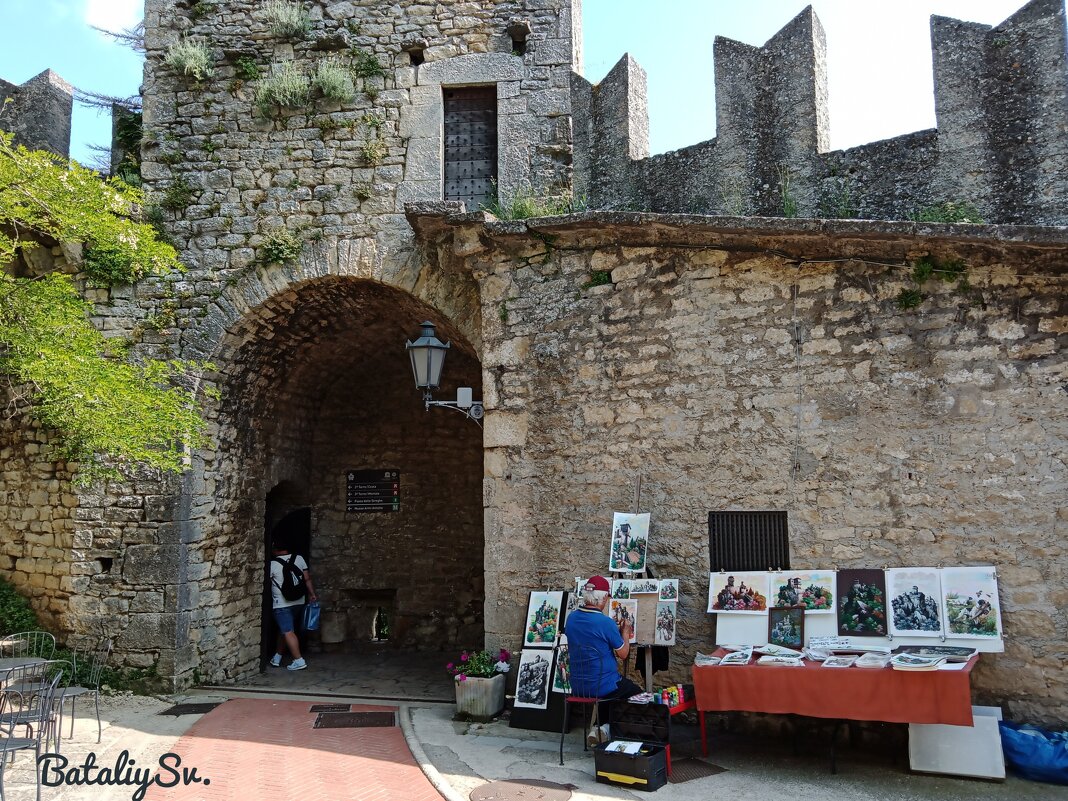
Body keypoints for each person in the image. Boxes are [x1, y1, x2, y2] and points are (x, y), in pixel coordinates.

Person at [563, 575, 643, 744]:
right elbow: (623, 654)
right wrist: (625, 633)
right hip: (601, 685)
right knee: (634, 692)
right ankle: (609, 730)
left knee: (612, 689)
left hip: (578, 686)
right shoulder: (604, 623)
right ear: (604, 597)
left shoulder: (571, 619)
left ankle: (600, 728)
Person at [269, 538, 317, 671]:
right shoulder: (299, 558)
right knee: (284, 629)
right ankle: (277, 657)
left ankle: (298, 660)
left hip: (281, 604)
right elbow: (307, 578)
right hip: (298, 601)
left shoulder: (272, 564)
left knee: (288, 631)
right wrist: (312, 594)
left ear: (276, 549)